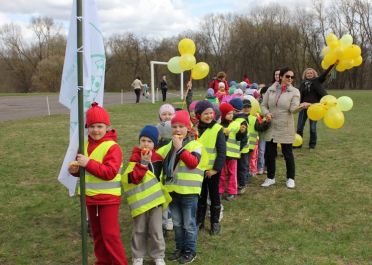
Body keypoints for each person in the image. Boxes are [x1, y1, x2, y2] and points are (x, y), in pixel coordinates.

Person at [68, 102, 128, 265]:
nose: (96, 130)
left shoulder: (113, 147)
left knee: (110, 235)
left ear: (107, 127)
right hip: (90, 198)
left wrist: (87, 163)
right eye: (92, 126)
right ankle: (102, 261)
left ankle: (119, 262)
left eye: (100, 126)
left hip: (108, 200)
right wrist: (74, 169)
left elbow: (109, 172)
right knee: (97, 234)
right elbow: (81, 170)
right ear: (87, 127)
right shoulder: (84, 145)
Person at [157, 110, 206, 264]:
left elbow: (193, 163)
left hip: (189, 192)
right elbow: (157, 156)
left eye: (181, 126)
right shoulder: (169, 145)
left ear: (188, 128)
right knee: (177, 223)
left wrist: (180, 149)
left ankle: (190, 250)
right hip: (173, 191)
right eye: (174, 126)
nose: (177, 130)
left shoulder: (195, 145)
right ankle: (180, 248)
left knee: (189, 224)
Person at [122, 125, 171, 265]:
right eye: (143, 140)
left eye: (149, 141)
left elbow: (159, 177)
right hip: (140, 201)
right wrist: (143, 163)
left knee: (156, 230)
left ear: (155, 143)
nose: (146, 144)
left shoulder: (158, 158)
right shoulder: (135, 157)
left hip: (155, 201)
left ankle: (158, 255)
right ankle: (137, 256)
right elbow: (134, 178)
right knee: (139, 229)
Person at [260, 67, 307, 189]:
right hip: (271, 126)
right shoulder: (271, 90)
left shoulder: (295, 92)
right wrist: (267, 113)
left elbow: (293, 109)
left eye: (292, 77)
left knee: (287, 153)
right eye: (287, 76)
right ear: (280, 77)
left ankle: (290, 178)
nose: (290, 79)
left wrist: (301, 106)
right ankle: (270, 178)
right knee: (270, 154)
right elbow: (263, 105)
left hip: (285, 126)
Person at [195, 100, 226, 235]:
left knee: (214, 196)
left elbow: (221, 152)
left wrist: (215, 170)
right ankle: (199, 221)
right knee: (200, 196)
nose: (208, 116)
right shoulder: (195, 128)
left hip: (212, 171)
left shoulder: (217, 129)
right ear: (198, 115)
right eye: (205, 113)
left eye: (210, 113)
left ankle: (214, 222)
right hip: (198, 170)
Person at [296, 65, 334, 149]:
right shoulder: (303, 83)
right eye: (307, 73)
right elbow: (298, 95)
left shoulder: (317, 81)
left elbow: (325, 74)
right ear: (305, 75)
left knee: (312, 128)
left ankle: (312, 145)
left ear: (314, 74)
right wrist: (299, 104)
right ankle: (298, 144)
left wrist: (331, 65)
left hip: (315, 108)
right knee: (299, 127)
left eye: (311, 73)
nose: (309, 74)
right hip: (303, 108)